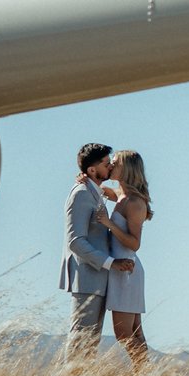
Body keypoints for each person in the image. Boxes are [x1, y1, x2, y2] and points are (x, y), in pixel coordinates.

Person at [62, 142, 134, 357]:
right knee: (80, 340)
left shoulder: (95, 191)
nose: (110, 166)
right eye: (105, 163)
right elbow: (75, 241)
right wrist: (112, 263)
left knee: (89, 342)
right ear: (92, 170)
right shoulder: (81, 193)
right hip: (86, 278)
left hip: (98, 278)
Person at [99, 149, 155, 363]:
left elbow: (135, 243)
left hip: (127, 270)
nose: (111, 166)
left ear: (127, 169)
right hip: (122, 268)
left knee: (124, 334)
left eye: (115, 163)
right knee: (135, 333)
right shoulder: (121, 196)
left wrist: (108, 223)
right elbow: (106, 191)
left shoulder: (134, 203)